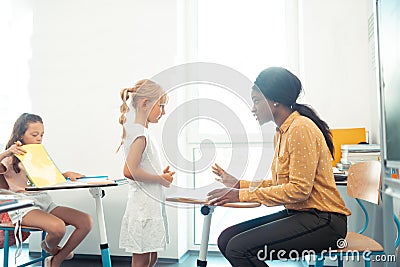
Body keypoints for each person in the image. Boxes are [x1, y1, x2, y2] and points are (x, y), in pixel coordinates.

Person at [207, 67, 351, 266]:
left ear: (274, 101)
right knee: (225, 239)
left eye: (256, 100)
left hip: (325, 221)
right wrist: (240, 184)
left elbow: (299, 191)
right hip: (303, 214)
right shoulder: (282, 132)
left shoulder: (300, 128)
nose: (253, 108)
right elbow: (280, 184)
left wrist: (241, 194)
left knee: (238, 248)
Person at [0, 113, 93, 267]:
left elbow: (48, 178)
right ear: (20, 135)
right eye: (34, 134)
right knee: (58, 227)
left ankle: (56, 259)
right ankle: (49, 248)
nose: (39, 138)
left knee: (85, 221)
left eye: (42, 135)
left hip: (45, 202)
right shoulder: (10, 159)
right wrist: (7, 152)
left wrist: (66, 175)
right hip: (24, 207)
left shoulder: (38, 155)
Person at [117, 79, 175, 267]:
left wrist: (159, 174)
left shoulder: (143, 132)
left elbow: (141, 167)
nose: (163, 112)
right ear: (144, 104)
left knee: (151, 256)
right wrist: (159, 178)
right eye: (162, 106)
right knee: (142, 258)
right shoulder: (139, 134)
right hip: (142, 207)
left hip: (150, 204)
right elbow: (129, 171)